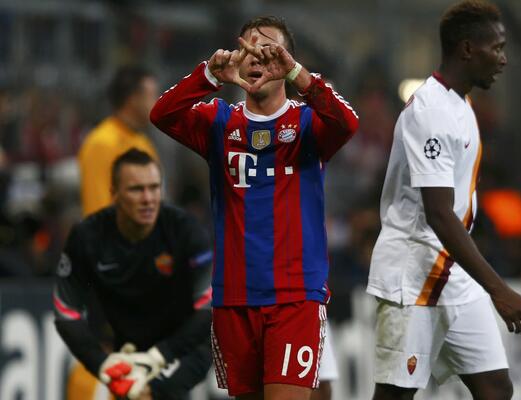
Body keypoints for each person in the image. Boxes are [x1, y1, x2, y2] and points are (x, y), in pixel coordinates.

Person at [150, 15, 359, 400]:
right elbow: (161, 114)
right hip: (233, 298)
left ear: (286, 61)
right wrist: (208, 76)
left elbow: (347, 123)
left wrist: (297, 74)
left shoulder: (308, 123)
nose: (257, 57)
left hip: (295, 297)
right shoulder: (219, 122)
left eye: (269, 49)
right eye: (248, 48)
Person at [367, 2, 521, 399]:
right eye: (497, 48)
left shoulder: (460, 102)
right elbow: (439, 214)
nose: (503, 59)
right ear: (467, 49)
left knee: (496, 388)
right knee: (395, 395)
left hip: (452, 270)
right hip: (414, 273)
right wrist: (498, 289)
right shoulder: (430, 112)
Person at [54, 149, 213, 399]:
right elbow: (66, 312)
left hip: (183, 346)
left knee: (148, 395)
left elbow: (208, 310)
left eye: (154, 188)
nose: (148, 198)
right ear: (114, 193)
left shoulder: (186, 231)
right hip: (124, 348)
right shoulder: (88, 236)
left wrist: (158, 357)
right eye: (136, 189)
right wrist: (101, 364)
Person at [78, 65, 159, 217]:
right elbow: (97, 211)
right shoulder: (101, 143)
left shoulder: (144, 143)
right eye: (152, 96)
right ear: (133, 99)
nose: (158, 102)